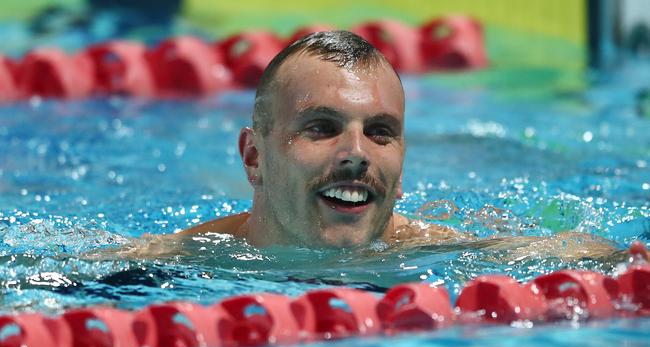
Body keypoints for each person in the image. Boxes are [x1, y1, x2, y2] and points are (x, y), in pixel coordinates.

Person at [120, 30, 619, 259]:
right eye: (321, 127)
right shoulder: (177, 261)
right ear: (254, 158)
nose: (356, 152)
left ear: (401, 170)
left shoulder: (455, 254)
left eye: (380, 132)